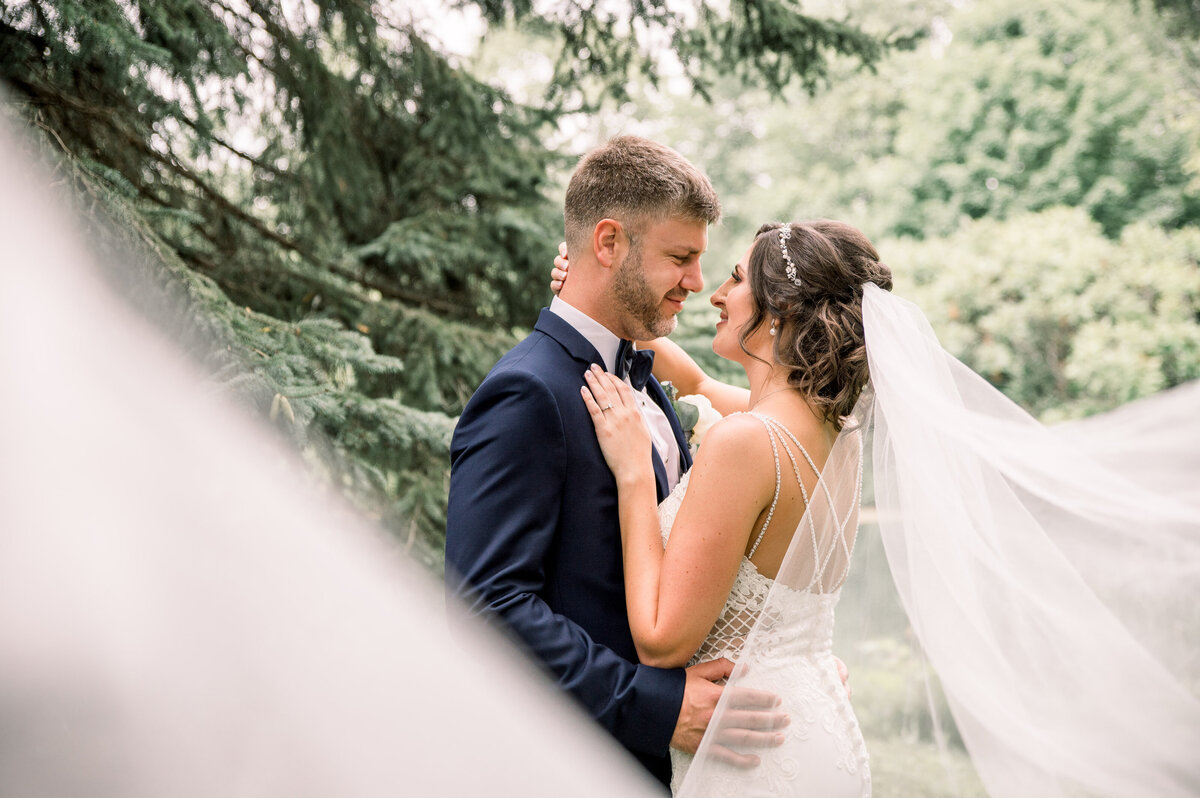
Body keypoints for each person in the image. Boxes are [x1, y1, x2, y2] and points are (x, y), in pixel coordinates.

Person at [555, 219, 1200, 798]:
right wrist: (589, 296)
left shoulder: (744, 442)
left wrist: (636, 475)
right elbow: (694, 382)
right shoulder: (833, 433)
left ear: (777, 311)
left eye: (733, 279)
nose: (715, 294)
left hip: (753, 756)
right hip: (816, 732)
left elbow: (663, 641)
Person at [444, 136, 789, 791]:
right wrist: (654, 707)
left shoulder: (647, 374)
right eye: (681, 258)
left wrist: (783, 665)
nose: (697, 283)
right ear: (608, 243)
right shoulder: (527, 393)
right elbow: (485, 604)